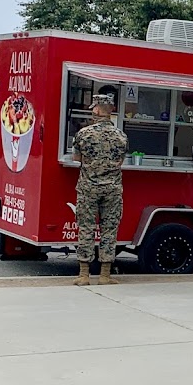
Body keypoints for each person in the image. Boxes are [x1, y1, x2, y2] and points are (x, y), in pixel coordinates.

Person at [72, 93, 128, 286]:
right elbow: (120, 161)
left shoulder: (83, 134)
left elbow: (76, 159)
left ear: (96, 109)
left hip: (88, 188)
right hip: (112, 189)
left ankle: (84, 274)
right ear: (111, 111)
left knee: (86, 228)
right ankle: (105, 275)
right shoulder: (121, 136)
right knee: (109, 230)